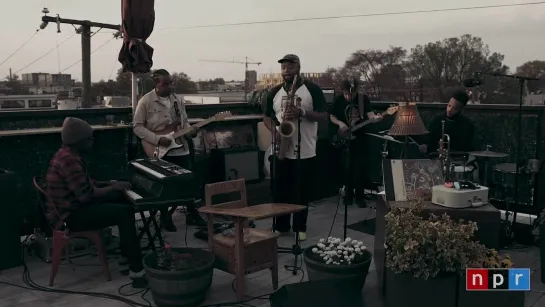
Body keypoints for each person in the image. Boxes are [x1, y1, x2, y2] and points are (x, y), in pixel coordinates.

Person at [45, 117, 144, 279]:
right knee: (124, 213)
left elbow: (87, 183)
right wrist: (112, 188)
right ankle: (137, 269)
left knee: (121, 199)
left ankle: (126, 256)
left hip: (72, 207)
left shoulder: (66, 154)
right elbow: (86, 196)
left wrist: (111, 183)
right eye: (89, 139)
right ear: (79, 141)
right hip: (71, 217)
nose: (92, 142)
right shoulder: (69, 161)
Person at [263, 54, 327, 241]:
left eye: (290, 66)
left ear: (298, 67)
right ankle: (281, 225)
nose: (286, 70)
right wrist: (275, 132)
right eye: (283, 67)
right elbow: (267, 117)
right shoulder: (273, 92)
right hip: (281, 147)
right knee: (280, 190)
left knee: (300, 191)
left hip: (304, 149)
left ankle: (300, 227)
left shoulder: (312, 89)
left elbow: (323, 115)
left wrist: (302, 112)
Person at [133, 69, 206, 231]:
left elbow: (184, 122)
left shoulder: (177, 100)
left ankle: (192, 214)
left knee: (188, 181)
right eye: (165, 84)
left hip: (181, 148)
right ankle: (165, 217)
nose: (169, 87)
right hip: (160, 148)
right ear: (156, 84)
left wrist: (190, 131)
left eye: (170, 83)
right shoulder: (145, 101)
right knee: (164, 186)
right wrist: (158, 139)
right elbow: (137, 127)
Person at [330, 79, 383, 207]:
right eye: (346, 94)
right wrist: (340, 124)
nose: (348, 97)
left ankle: (360, 196)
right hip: (344, 137)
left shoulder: (362, 98)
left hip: (360, 137)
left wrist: (376, 119)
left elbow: (370, 115)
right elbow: (332, 116)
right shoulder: (338, 100)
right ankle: (348, 195)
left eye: (351, 94)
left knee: (360, 168)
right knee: (347, 167)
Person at [419, 90, 474, 155]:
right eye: (449, 105)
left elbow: (467, 148)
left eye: (455, 108)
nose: (449, 110)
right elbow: (429, 140)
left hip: (457, 160)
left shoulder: (467, 125)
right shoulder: (437, 120)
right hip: (436, 159)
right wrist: (425, 146)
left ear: (460, 109)